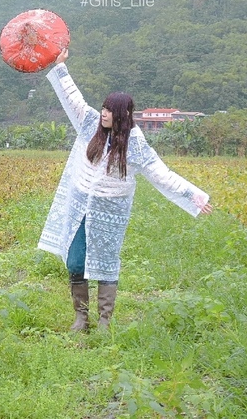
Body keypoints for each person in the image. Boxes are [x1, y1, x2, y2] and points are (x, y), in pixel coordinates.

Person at [38, 47, 213, 332]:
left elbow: (162, 175)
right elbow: (73, 99)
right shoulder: (89, 125)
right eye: (104, 108)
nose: (104, 113)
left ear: (122, 115)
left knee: (106, 263)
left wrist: (194, 195)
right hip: (81, 207)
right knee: (75, 259)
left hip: (110, 211)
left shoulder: (135, 144)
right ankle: (81, 319)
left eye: (109, 110)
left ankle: (105, 321)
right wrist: (60, 68)